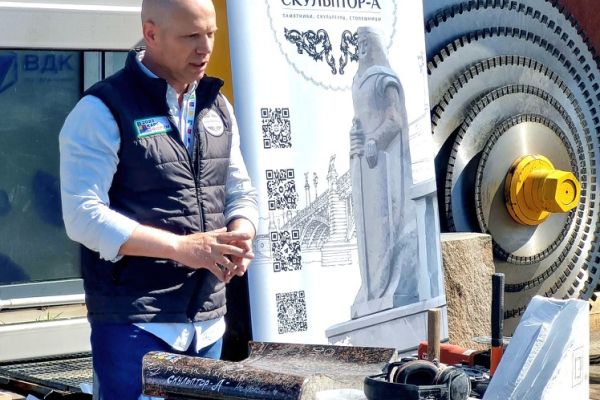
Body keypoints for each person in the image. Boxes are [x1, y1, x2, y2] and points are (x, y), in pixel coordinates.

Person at [59, 0, 258, 398]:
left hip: (209, 322)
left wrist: (242, 232)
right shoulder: (101, 109)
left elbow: (239, 190)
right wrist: (182, 249)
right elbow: (81, 214)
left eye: (211, 34)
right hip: (136, 322)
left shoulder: (217, 105)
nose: (205, 48)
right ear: (150, 34)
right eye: (191, 36)